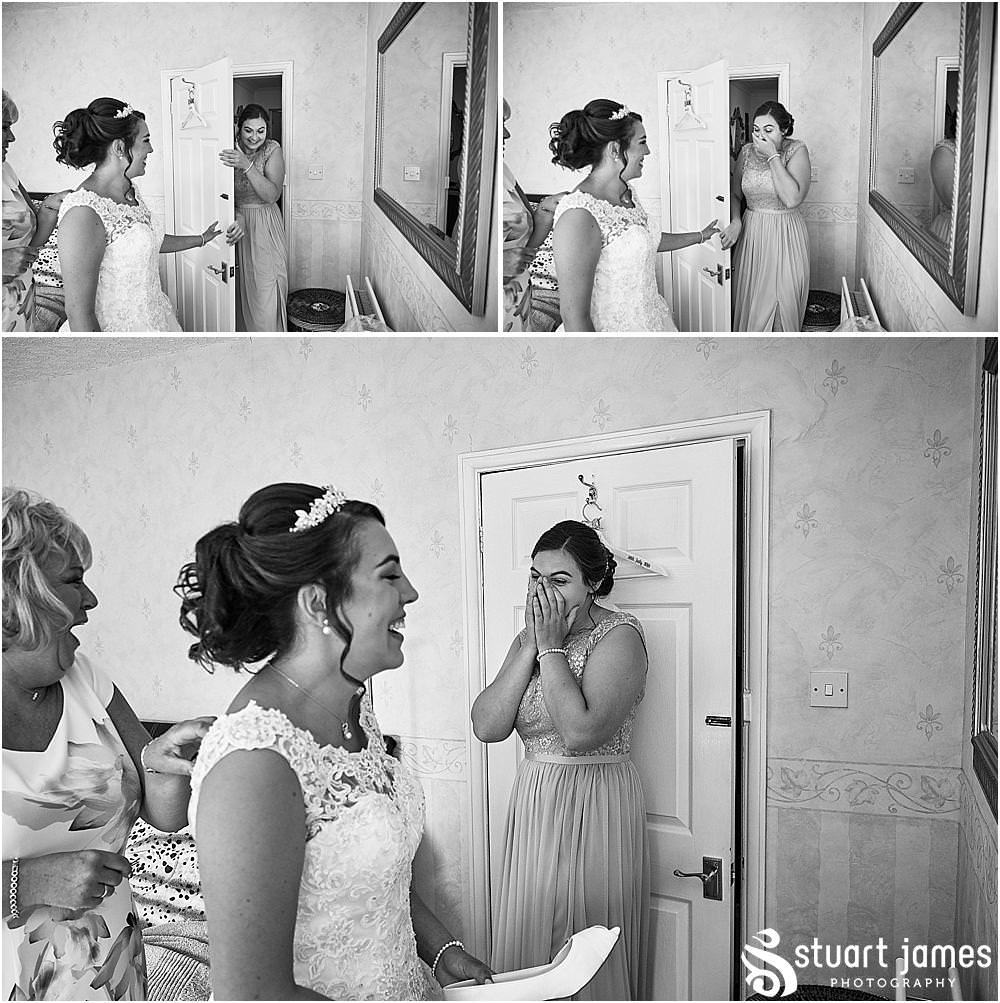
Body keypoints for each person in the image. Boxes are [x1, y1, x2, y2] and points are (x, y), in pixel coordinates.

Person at [177, 482, 493, 999]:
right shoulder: (255, 761)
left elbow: (361, 873)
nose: (409, 593)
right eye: (389, 575)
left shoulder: (354, 709)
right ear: (319, 603)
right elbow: (253, 996)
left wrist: (440, 950)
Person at [2, 487, 214, 1000]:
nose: (92, 600)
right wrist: (23, 884)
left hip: (113, 978)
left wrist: (163, 763)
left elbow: (164, 816)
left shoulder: (87, 680)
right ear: (16, 599)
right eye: (74, 582)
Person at [471, 520, 649, 1000]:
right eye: (535, 577)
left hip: (595, 804)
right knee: (533, 938)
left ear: (592, 585)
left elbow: (581, 733)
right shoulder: (528, 638)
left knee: (579, 948)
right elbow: (487, 727)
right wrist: (531, 644)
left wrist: (550, 647)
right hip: (536, 804)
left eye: (559, 580)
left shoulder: (619, 636)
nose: (542, 591)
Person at [53, 97, 223, 331]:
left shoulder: (130, 190)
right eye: (146, 140)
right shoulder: (83, 212)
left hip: (157, 319)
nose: (151, 148)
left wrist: (201, 239)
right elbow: (79, 313)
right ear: (120, 148)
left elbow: (145, 242)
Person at [550, 99, 719, 332]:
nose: (648, 151)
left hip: (653, 320)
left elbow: (644, 240)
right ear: (615, 149)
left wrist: (701, 235)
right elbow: (574, 318)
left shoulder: (627, 193)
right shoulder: (578, 215)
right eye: (642, 142)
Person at [720, 100, 811, 331]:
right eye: (757, 130)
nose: (761, 136)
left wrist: (773, 156)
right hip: (753, 234)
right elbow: (735, 193)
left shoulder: (796, 150)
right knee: (754, 304)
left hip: (786, 234)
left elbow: (792, 199)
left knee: (783, 304)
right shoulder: (747, 152)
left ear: (784, 130)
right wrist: (736, 221)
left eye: (769, 130)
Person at [3, 90, 68, 332]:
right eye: (4, 127)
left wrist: (50, 207)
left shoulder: (6, 171)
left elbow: (33, 240)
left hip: (20, 302)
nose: (12, 138)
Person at [219, 104, 288, 331]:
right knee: (235, 289)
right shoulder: (227, 148)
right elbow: (222, 192)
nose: (254, 137)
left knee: (266, 290)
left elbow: (272, 194)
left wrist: (246, 165)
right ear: (239, 127)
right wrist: (237, 214)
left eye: (261, 131)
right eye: (248, 130)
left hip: (265, 224)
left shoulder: (272, 150)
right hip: (239, 224)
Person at [502, 99, 562, 332]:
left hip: (520, 292)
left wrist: (546, 209)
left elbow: (527, 245)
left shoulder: (504, 172)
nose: (507, 134)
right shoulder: (475, 174)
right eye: (501, 124)